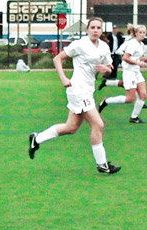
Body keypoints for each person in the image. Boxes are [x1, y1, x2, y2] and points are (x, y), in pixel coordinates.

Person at [28, 17, 121, 174]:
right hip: (78, 90)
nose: (96, 30)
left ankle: (36, 139)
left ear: (101, 30)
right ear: (87, 29)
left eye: (99, 27)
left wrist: (106, 70)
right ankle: (102, 164)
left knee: (71, 128)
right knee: (98, 124)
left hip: (88, 90)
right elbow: (57, 58)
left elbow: (109, 68)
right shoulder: (80, 44)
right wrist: (64, 78)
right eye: (93, 27)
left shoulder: (104, 47)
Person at [99, 24, 147, 123]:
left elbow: (137, 58)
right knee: (130, 98)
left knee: (143, 95)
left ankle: (134, 117)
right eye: (140, 32)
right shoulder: (133, 43)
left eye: (144, 33)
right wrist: (138, 62)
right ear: (135, 34)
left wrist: (142, 60)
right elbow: (125, 57)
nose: (142, 35)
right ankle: (106, 101)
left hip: (136, 72)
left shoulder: (141, 44)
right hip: (129, 72)